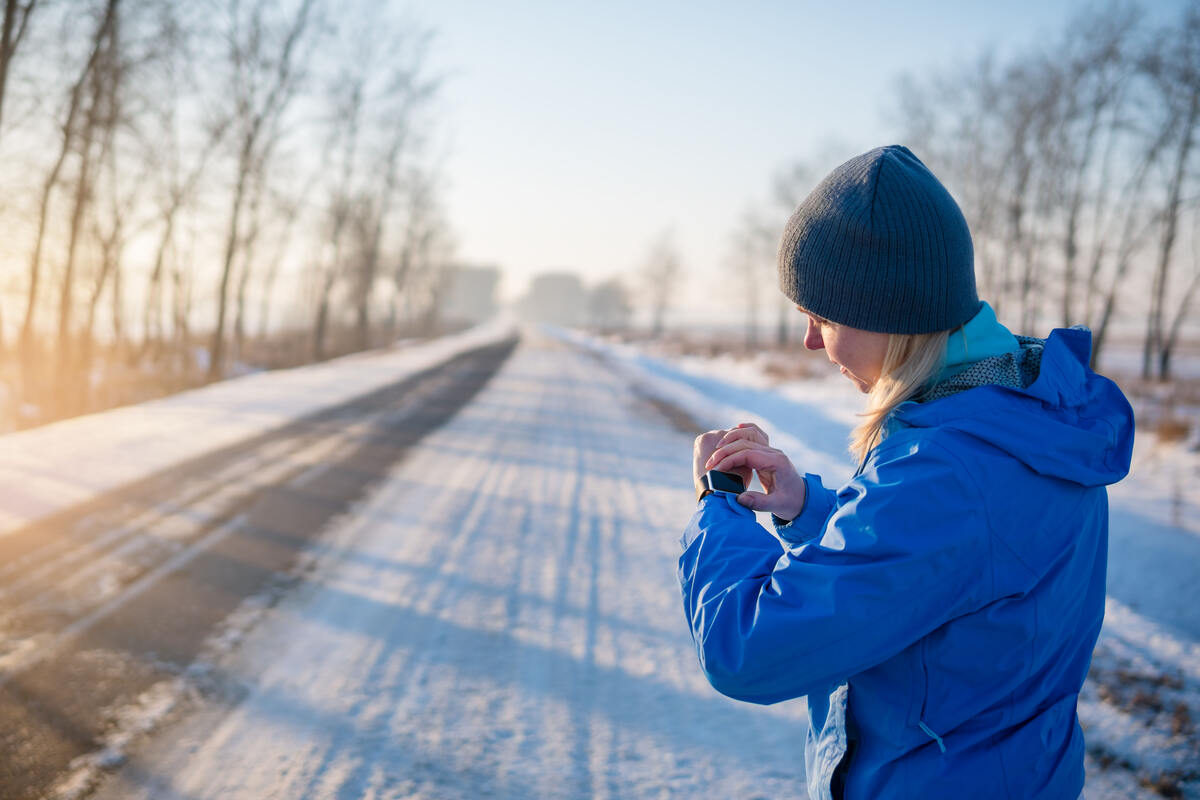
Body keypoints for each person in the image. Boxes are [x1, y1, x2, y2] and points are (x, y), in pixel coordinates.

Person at [679, 145, 1134, 800]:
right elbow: (937, 571)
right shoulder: (1026, 414)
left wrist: (714, 505)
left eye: (822, 318)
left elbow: (748, 650)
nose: (810, 341)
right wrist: (806, 507)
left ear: (887, 315)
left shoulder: (949, 469)